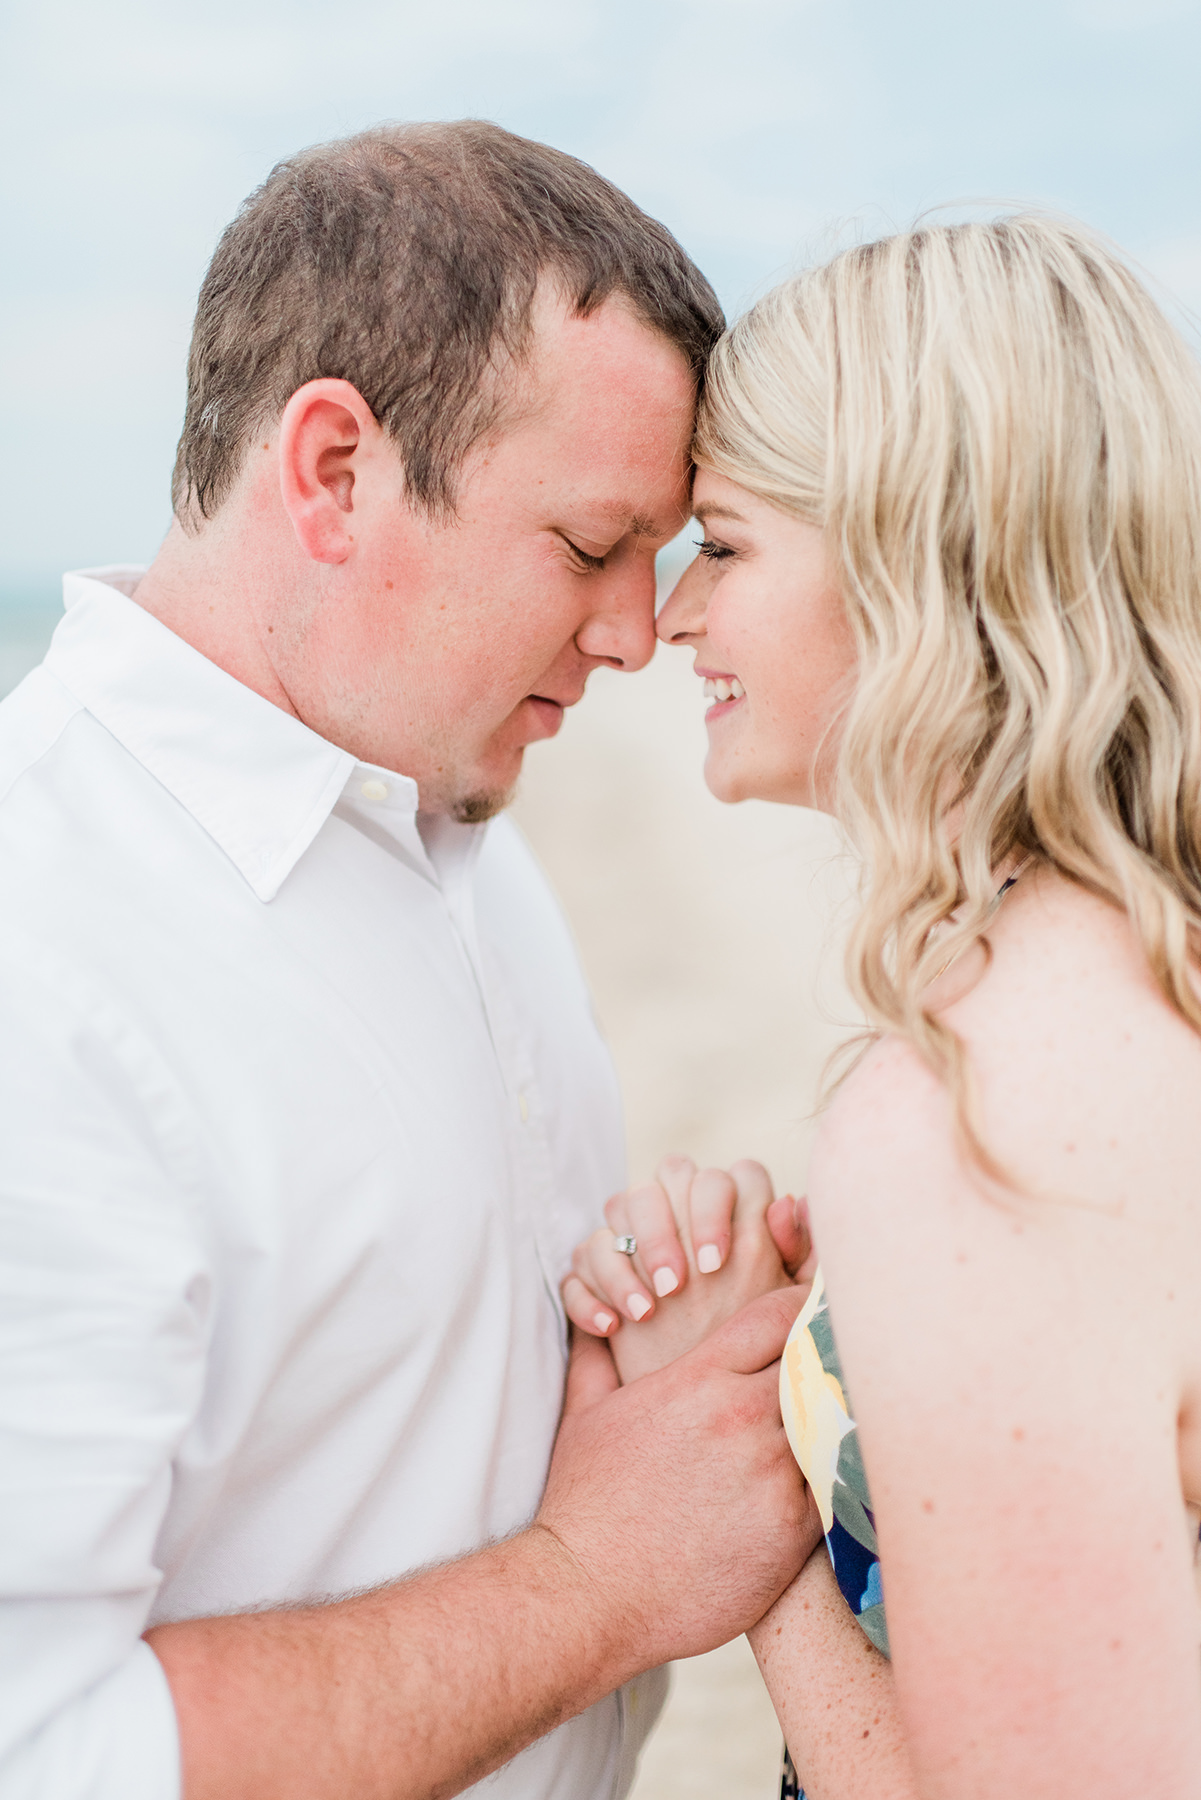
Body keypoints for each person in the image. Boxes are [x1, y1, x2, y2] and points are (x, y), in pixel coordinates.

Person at [0, 120, 817, 1800]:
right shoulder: (46, 964)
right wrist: (599, 1581)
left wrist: (642, 1330)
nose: (634, 632)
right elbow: (43, 1750)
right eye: (591, 548)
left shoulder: (442, 818)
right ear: (333, 471)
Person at [566, 214, 1201, 1798]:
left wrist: (752, 1516)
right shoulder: (1152, 959)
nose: (666, 618)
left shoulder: (984, 1111)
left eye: (721, 540)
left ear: (910, 559)